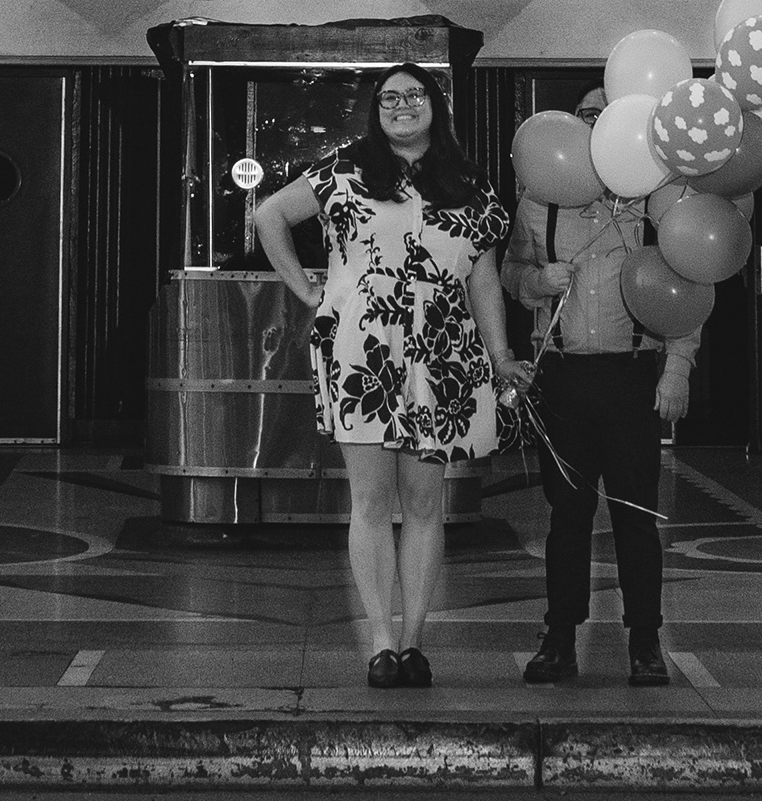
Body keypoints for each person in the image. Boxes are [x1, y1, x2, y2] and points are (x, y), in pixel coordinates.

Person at [251, 65, 520, 691]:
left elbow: (483, 280)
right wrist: (306, 288)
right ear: (376, 111)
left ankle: (414, 641)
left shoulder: (470, 185)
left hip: (443, 353)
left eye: (413, 95)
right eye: (388, 98)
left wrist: (502, 355)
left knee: (426, 504)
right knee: (371, 500)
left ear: (434, 105)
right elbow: (269, 215)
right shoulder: (344, 171)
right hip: (362, 353)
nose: (401, 106)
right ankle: (380, 642)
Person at [505, 85, 697, 686]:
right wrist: (535, 282)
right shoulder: (539, 200)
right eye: (587, 115)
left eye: (606, 115)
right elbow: (509, 270)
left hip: (632, 377)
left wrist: (677, 368)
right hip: (563, 378)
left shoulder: (656, 201)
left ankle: (645, 640)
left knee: (635, 516)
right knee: (567, 516)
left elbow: (689, 283)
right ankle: (559, 638)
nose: (596, 126)